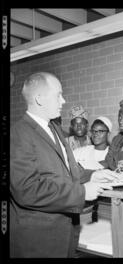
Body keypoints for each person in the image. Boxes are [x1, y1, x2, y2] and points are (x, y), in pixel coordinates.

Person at [10, 72, 112, 258]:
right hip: (38, 240)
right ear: (40, 99)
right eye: (58, 95)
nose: (63, 100)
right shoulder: (18, 134)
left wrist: (91, 175)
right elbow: (26, 189)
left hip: (64, 233)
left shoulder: (54, 129)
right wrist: (82, 192)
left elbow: (63, 170)